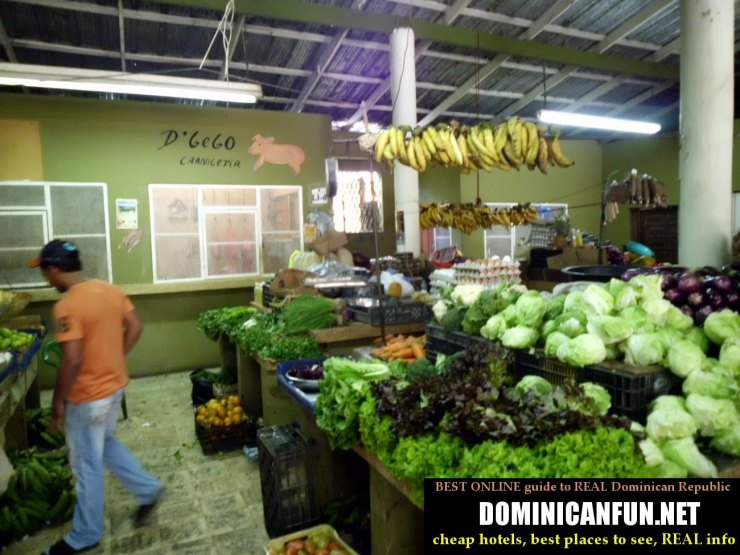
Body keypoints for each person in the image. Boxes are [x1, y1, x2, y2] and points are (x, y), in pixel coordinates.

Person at [30, 240, 163, 555]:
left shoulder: (66, 306)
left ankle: (85, 535)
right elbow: (135, 326)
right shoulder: (109, 290)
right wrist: (117, 355)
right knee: (106, 446)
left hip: (87, 398)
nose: (47, 281)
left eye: (46, 274)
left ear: (55, 269)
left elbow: (72, 361)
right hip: (114, 389)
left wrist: (57, 404)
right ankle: (149, 490)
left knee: (86, 465)